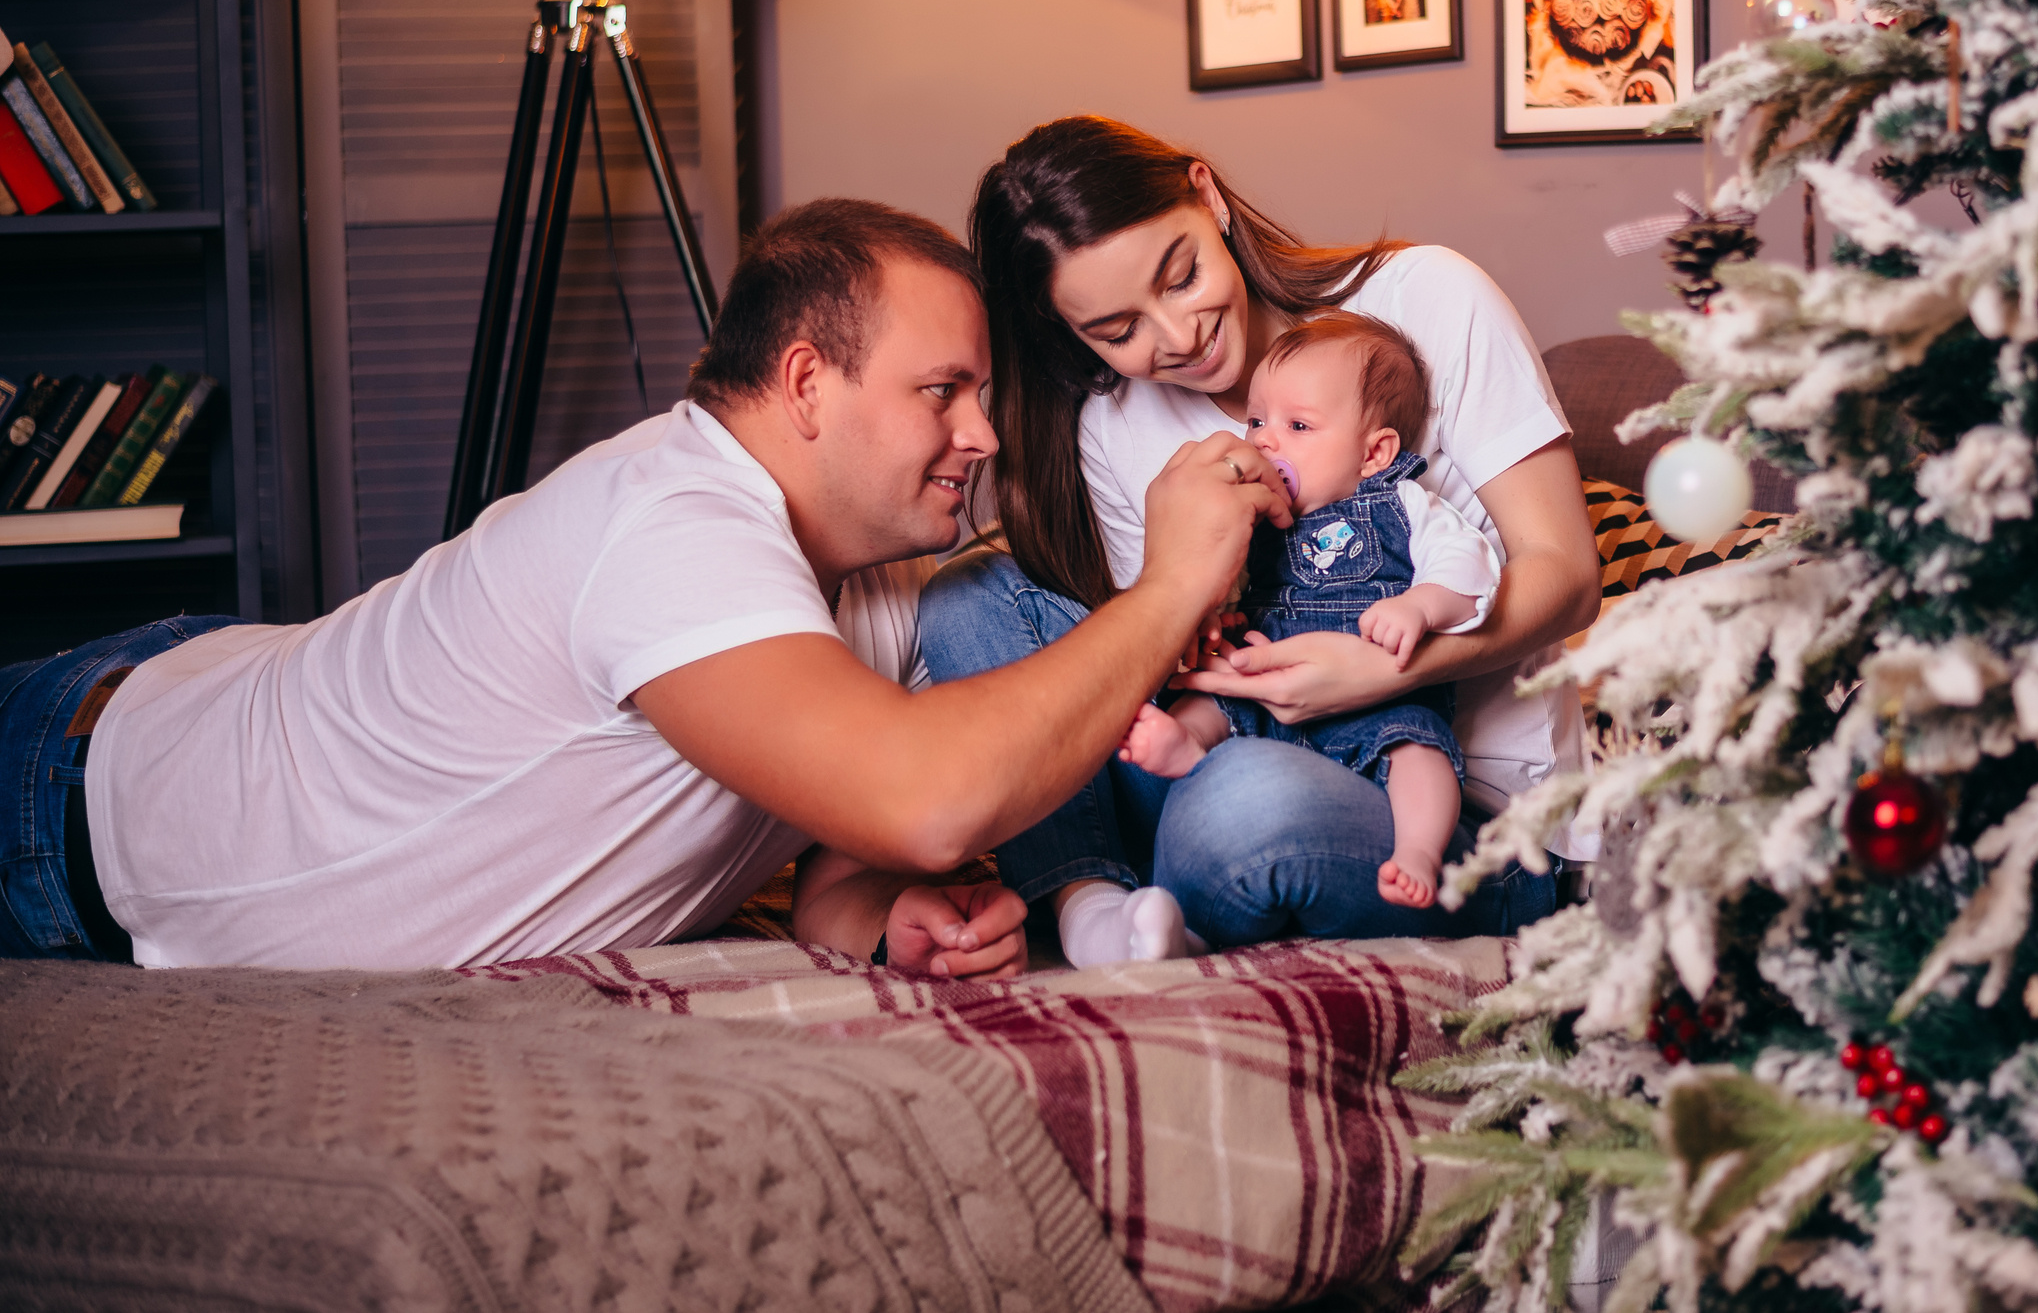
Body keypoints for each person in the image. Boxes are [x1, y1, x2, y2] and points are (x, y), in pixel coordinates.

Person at [0, 199, 1288, 974]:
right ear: (802, 386)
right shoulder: (676, 516)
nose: (984, 436)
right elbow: (929, 793)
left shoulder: (879, 590)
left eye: (983, 395)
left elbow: (848, 878)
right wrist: (1171, 582)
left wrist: (896, 926)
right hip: (69, 782)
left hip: (223, 675)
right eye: (941, 392)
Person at [924, 116, 1601, 970]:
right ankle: (1090, 904)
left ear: (1208, 196)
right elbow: (1166, 675)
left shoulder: (1425, 300)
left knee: (1243, 802)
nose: (1176, 337)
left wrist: (1386, 666)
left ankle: (1180, 888)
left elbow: (1568, 574)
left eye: (1181, 275)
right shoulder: (1114, 424)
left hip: (1455, 805)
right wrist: (1177, 591)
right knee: (970, 597)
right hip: (1231, 740)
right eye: (1117, 330)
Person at [1120, 313, 1495, 910]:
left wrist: (1420, 608)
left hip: (1377, 706)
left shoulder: (1400, 505)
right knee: (1205, 701)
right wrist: (1211, 613)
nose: (1265, 441)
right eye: (1257, 421)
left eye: (1298, 425)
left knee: (1420, 752)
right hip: (1262, 685)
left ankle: (1418, 851)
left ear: (1374, 453)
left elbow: (1472, 571)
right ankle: (1187, 745)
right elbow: (1220, 586)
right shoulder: (1250, 513)